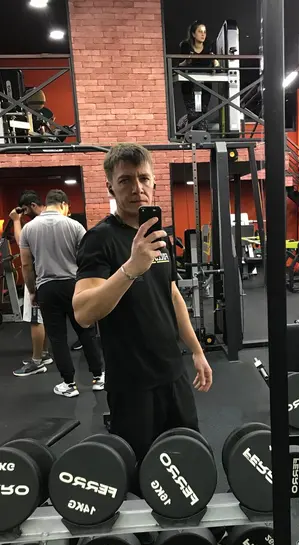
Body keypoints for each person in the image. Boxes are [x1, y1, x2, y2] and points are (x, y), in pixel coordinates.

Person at [73, 142, 213, 458]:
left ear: (153, 182)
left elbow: (172, 294)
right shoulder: (99, 239)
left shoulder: (158, 236)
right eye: (125, 180)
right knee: (140, 467)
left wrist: (197, 351)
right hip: (132, 384)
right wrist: (130, 269)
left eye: (143, 178)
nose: (137, 188)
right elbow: (82, 312)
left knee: (188, 457)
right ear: (110, 187)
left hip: (173, 373)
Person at [19, 189, 104, 397]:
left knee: (57, 337)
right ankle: (98, 377)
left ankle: (69, 384)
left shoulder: (28, 228)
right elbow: (87, 259)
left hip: (47, 287)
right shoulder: (74, 226)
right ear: (64, 204)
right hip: (74, 285)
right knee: (86, 331)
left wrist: (32, 291)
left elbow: (26, 265)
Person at [9, 191, 53, 377]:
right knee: (45, 318)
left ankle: (37, 362)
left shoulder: (34, 225)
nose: (24, 215)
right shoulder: (55, 221)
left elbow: (21, 244)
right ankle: (44, 353)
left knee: (36, 319)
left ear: (33, 205)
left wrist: (16, 221)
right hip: (52, 276)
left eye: (25, 210)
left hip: (36, 277)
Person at [179, 21, 220, 129]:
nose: (203, 34)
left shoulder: (209, 46)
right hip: (188, 80)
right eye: (200, 31)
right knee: (192, 112)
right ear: (193, 34)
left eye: (204, 32)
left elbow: (216, 62)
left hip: (205, 80)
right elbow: (180, 64)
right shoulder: (186, 45)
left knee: (203, 111)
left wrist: (215, 62)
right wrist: (187, 61)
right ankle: (188, 129)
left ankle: (202, 133)